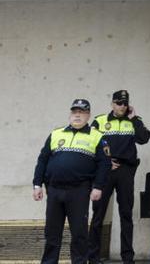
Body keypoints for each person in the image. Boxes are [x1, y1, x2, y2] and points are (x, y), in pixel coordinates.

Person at [33, 99, 110, 264]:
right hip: (54, 190)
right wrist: (37, 184)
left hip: (79, 191)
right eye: (75, 112)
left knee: (79, 234)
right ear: (70, 114)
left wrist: (98, 187)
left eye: (82, 112)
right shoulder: (56, 133)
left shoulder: (97, 136)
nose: (77, 115)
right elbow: (42, 160)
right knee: (52, 233)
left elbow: (104, 164)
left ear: (88, 115)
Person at [87, 89, 150, 264]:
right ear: (112, 104)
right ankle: (93, 257)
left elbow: (144, 138)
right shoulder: (100, 121)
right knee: (98, 214)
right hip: (104, 171)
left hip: (125, 171)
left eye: (125, 103)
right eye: (118, 103)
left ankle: (127, 257)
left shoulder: (134, 121)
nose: (122, 106)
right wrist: (104, 163)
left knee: (126, 214)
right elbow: (90, 145)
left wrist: (134, 118)